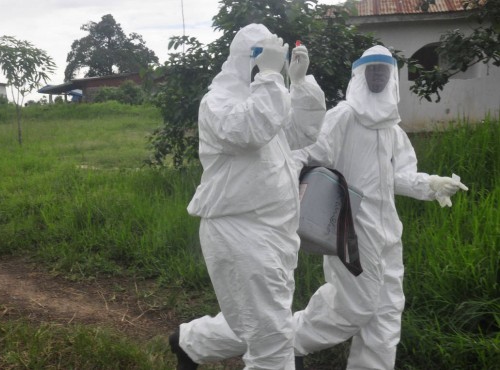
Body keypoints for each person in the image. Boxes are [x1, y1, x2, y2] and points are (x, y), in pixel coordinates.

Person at [291, 45, 468, 369]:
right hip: (349, 230)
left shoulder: (391, 129)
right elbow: (313, 157)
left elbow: (399, 177)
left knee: (386, 313)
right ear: (360, 74)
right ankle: (290, 341)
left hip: (388, 234)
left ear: (391, 77)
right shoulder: (343, 117)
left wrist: (431, 184)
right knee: (354, 306)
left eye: (382, 70)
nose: (376, 75)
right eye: (371, 69)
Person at [169, 23, 326, 369]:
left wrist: (298, 84)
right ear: (244, 58)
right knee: (270, 338)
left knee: (263, 323)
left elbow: (303, 134)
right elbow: (251, 130)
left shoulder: (269, 96)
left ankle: (189, 342)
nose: (267, 64)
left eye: (272, 57)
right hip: (239, 231)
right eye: (260, 56)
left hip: (276, 231)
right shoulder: (218, 103)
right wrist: (270, 77)